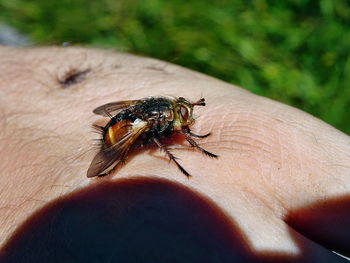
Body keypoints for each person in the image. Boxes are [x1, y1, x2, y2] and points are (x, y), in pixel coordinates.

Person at [0, 46, 349, 262]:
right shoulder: (160, 120)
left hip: (128, 117)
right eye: (185, 115)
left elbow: (127, 109)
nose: (188, 117)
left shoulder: (168, 110)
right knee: (143, 138)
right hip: (122, 131)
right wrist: (133, 157)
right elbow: (143, 129)